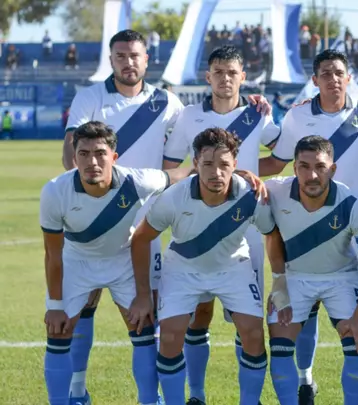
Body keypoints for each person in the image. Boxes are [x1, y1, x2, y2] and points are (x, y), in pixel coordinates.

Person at [61, 30, 271, 405]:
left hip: (150, 223)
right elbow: (69, 157)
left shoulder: (168, 103)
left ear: (147, 60)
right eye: (121, 56)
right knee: (85, 304)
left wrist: (234, 173)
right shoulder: (89, 98)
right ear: (111, 60)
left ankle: (155, 397)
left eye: (135, 55)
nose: (128, 62)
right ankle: (77, 390)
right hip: (93, 220)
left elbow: (187, 160)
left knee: (150, 317)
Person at [259, 48, 358, 404]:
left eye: (338, 73)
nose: (333, 79)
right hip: (301, 222)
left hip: (349, 225)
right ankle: (305, 381)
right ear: (314, 79)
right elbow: (277, 162)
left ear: (348, 78)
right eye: (325, 74)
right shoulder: (297, 116)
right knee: (303, 315)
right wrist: (230, 171)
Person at [40, 121, 193, 405]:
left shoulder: (136, 181)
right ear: (74, 158)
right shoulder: (55, 191)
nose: (92, 162)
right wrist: (55, 305)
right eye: (84, 154)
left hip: (123, 260)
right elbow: (53, 254)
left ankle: (150, 401)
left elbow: (175, 175)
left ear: (114, 157)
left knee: (143, 327)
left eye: (100, 153)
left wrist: (207, 169)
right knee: (57, 330)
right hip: (77, 261)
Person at [162, 45, 280, 405]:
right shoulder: (189, 116)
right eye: (218, 72)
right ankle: (196, 395)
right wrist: (213, 174)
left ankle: (249, 398)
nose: (225, 78)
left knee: (246, 319)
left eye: (232, 72)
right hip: (198, 225)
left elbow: (279, 159)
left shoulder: (258, 113)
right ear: (208, 77)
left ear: (243, 77)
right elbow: (171, 166)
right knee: (199, 314)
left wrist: (246, 176)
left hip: (246, 230)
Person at [129, 128, 272, 405]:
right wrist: (144, 294)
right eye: (207, 164)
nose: (216, 172)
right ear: (195, 163)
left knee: (254, 334)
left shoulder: (250, 195)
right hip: (183, 268)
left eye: (224, 165)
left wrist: (281, 279)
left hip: (232, 266)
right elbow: (141, 238)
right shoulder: (174, 197)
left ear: (235, 164)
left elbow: (272, 232)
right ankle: (193, 397)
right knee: (170, 337)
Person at [264, 136, 358, 405]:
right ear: (294, 168)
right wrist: (279, 282)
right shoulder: (274, 191)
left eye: (320, 166)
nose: (312, 175)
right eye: (304, 167)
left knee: (357, 349)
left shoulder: (352, 204)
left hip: (341, 277)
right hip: (294, 277)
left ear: (333, 169)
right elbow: (236, 186)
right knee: (280, 353)